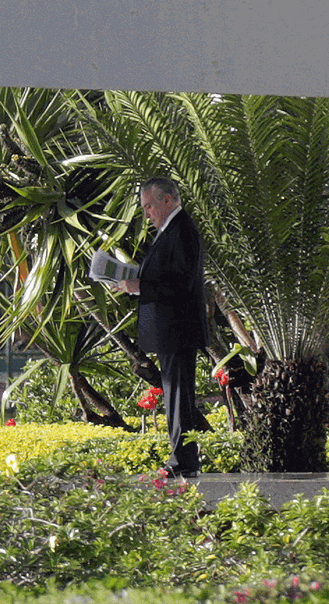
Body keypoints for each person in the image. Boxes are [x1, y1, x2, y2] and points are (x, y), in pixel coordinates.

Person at [114, 177, 208, 478]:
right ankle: (183, 456)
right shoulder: (170, 231)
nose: (147, 214)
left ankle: (183, 460)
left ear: (168, 199)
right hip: (170, 328)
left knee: (179, 395)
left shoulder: (182, 230)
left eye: (150, 206)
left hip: (178, 327)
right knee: (175, 394)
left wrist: (139, 285)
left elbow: (181, 281)